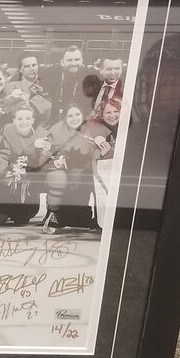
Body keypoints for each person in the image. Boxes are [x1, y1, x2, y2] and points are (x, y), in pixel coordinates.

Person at [0, 104, 52, 225]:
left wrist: (44, 151)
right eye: (19, 118)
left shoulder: (42, 134)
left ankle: (40, 212)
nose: (24, 122)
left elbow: (44, 164)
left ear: (33, 120)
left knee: (23, 217)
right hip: (9, 173)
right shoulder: (6, 129)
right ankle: (1, 209)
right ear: (14, 120)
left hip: (32, 175)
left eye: (28, 118)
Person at [41, 104, 98, 230]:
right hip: (61, 170)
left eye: (77, 114)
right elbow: (47, 153)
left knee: (78, 218)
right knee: (57, 177)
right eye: (70, 115)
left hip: (84, 172)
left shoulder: (91, 130)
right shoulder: (57, 130)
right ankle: (52, 213)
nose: (74, 118)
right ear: (65, 118)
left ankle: (98, 217)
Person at [87, 97, 122, 229]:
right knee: (105, 197)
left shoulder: (124, 126)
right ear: (101, 115)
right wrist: (99, 140)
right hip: (104, 167)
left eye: (115, 111)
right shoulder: (99, 127)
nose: (112, 115)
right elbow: (96, 135)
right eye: (108, 112)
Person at [39, 45, 92, 119]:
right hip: (55, 119)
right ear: (62, 62)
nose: (73, 63)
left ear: (82, 60)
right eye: (69, 60)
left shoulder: (90, 76)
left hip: (79, 121)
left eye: (77, 60)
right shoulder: (49, 73)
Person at [5, 54, 52, 126]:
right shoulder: (12, 86)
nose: (32, 68)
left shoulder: (46, 81)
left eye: (34, 65)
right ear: (20, 69)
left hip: (44, 125)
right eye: (27, 66)